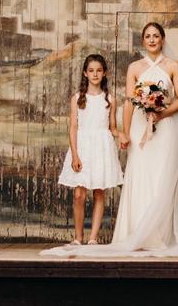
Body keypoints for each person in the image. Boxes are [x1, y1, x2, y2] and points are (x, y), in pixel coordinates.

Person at [42, 22, 178, 257]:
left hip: (165, 127)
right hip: (140, 128)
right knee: (140, 174)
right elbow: (129, 101)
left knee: (162, 176)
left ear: (162, 39)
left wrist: (160, 114)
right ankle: (135, 231)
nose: (152, 40)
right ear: (143, 41)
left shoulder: (173, 65)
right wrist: (125, 131)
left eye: (156, 36)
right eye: (148, 36)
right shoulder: (135, 67)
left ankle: (160, 235)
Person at [57, 54, 124, 245]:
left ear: (104, 73)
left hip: (102, 147)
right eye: (91, 70)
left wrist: (124, 135)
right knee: (79, 194)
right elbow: (73, 127)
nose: (95, 74)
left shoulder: (110, 99)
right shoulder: (77, 98)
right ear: (85, 73)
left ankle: (93, 238)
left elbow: (112, 127)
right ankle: (78, 237)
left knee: (99, 191)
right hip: (83, 147)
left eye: (99, 70)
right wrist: (75, 154)